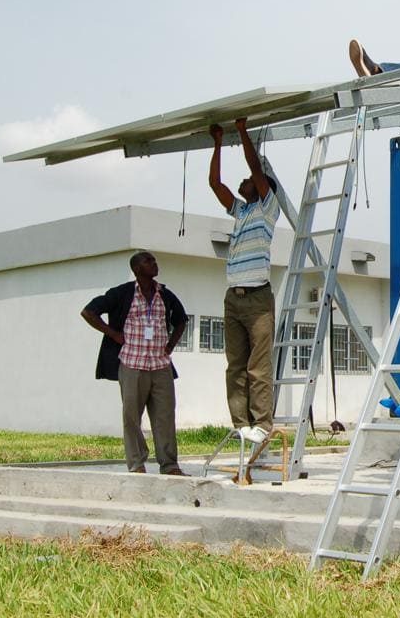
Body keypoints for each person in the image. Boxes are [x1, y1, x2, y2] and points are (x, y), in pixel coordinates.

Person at [81, 251, 189, 476]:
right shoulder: (122, 293)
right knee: (132, 417)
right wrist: (113, 334)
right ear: (137, 268)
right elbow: (89, 312)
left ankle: (169, 465)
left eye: (154, 260)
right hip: (132, 363)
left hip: (160, 366)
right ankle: (137, 464)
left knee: (165, 417)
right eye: (148, 261)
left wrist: (170, 345)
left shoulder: (165, 295)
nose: (154, 263)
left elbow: (182, 320)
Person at [209, 117, 281, 446]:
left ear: (261, 186)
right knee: (235, 365)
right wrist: (218, 143)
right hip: (233, 298)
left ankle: (262, 424)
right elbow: (215, 184)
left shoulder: (267, 208)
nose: (244, 181)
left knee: (257, 365)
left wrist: (242, 132)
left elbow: (254, 167)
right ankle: (241, 425)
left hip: (257, 299)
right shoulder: (240, 211)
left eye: (250, 181)